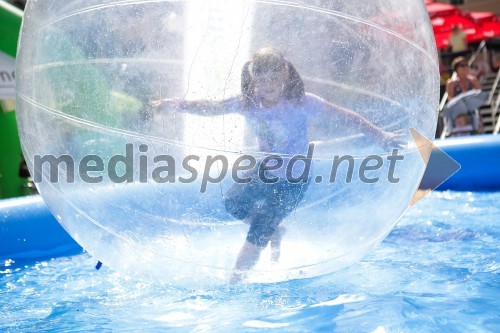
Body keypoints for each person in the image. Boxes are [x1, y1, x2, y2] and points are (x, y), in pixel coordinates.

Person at [152, 47, 405, 283]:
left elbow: (346, 117)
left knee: (259, 229)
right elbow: (214, 107)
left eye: (274, 80)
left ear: (285, 74)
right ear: (253, 79)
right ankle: (274, 230)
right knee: (232, 202)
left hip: (295, 180)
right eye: (262, 81)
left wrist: (381, 136)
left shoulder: (302, 102)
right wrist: (180, 104)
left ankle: (233, 283)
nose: (269, 86)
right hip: (265, 171)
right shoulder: (248, 103)